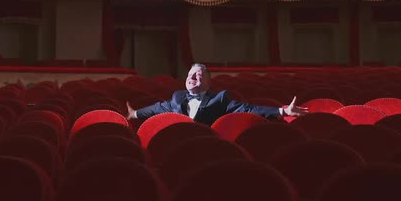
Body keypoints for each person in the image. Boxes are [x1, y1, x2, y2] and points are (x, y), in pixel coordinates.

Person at [126, 63, 309, 126]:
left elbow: (248, 109)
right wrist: (134, 114)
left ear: (208, 82)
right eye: (190, 74)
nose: (192, 77)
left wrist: (283, 111)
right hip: (181, 149)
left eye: (198, 75)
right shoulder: (178, 97)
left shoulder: (219, 99)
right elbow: (157, 108)